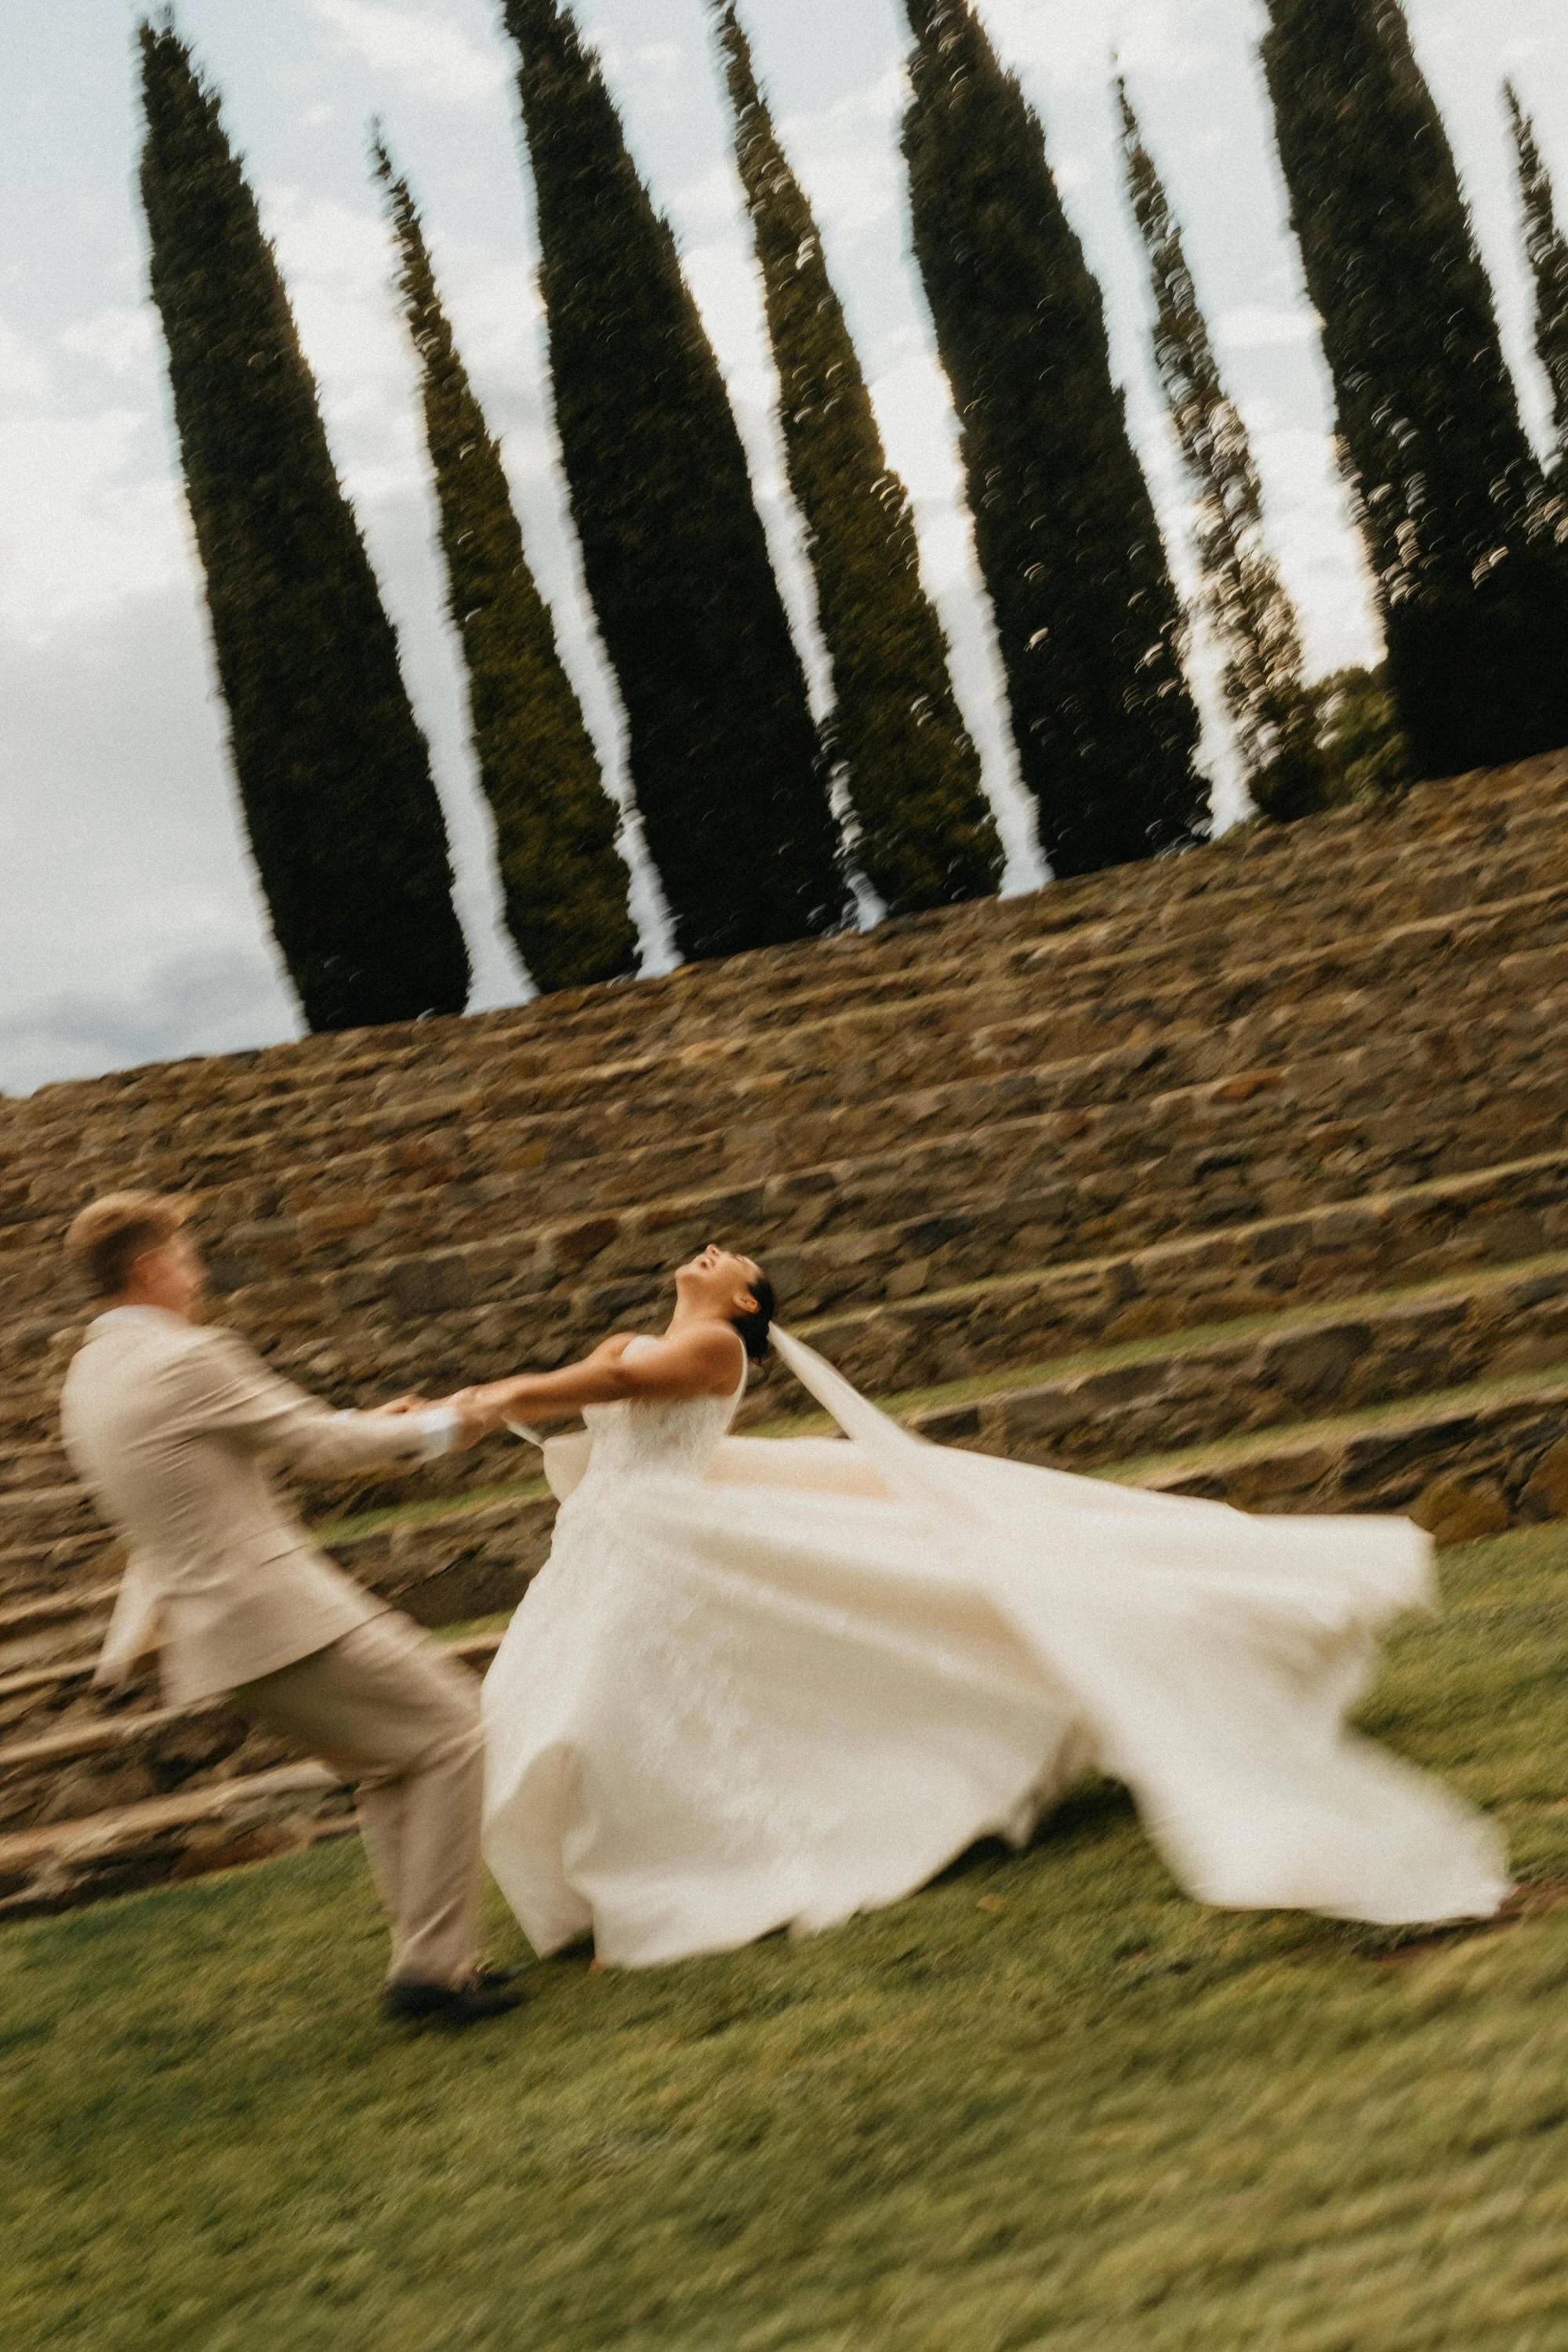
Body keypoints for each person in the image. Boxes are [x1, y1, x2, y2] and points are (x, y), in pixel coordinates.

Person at [466, 1247, 1508, 1970]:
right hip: (619, 1548)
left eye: (728, 1260)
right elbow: (592, 1380)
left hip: (661, 1550)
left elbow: (593, 1381)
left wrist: (488, 1399)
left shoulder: (709, 1352)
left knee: (613, 1716)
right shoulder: (637, 1347)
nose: (709, 1252)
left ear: (745, 1305)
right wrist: (475, 1405)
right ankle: (630, 1887)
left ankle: (649, 1894)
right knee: (586, 1711)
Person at [58, 1191, 521, 2027]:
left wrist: (369, 1425)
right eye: (187, 1256)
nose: (197, 1274)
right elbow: (319, 1447)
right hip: (271, 1614)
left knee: (386, 1767)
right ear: (149, 1268)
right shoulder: (187, 1357)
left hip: (219, 1636)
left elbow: (254, 1447)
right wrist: (454, 1425)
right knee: (456, 1728)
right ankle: (431, 1972)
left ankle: (432, 1964)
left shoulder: (89, 1377)